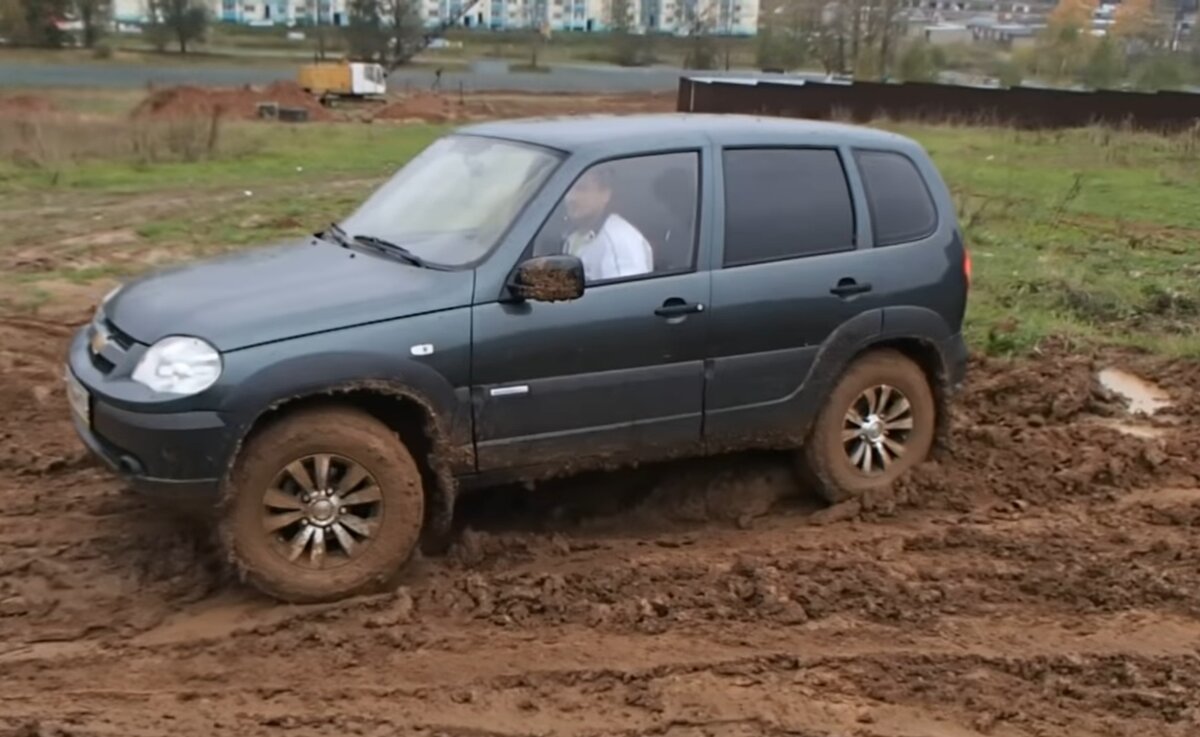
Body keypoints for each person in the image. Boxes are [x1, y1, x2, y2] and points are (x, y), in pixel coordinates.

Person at [561, 166, 653, 283]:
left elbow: (625, 296)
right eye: (568, 188)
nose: (570, 197)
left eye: (581, 189)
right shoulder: (574, 234)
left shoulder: (619, 241)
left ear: (605, 194)